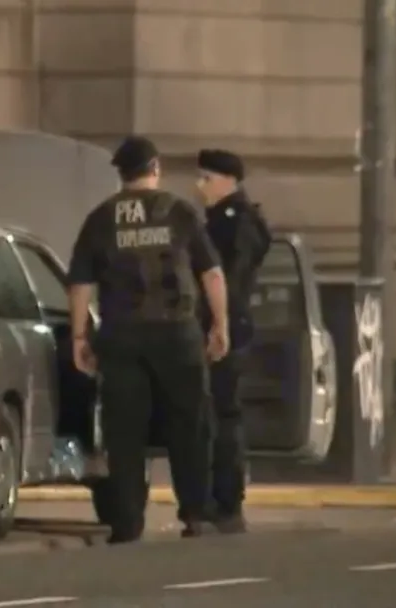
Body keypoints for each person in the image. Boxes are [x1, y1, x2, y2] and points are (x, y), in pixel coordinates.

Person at [67, 135, 230, 543]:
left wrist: (79, 337)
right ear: (154, 167)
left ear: (121, 174)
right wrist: (220, 325)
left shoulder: (101, 219)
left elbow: (81, 284)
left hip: (122, 337)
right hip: (177, 334)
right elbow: (211, 273)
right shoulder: (180, 213)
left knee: (124, 433)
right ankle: (194, 514)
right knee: (189, 427)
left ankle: (127, 522)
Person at [194, 149, 272, 533]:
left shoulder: (236, 222)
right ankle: (214, 500)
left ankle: (226, 503)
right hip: (218, 325)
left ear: (228, 180)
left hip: (224, 328)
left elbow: (233, 279)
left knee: (223, 414)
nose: (199, 187)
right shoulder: (222, 220)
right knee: (213, 414)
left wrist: (218, 323)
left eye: (206, 179)